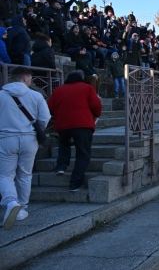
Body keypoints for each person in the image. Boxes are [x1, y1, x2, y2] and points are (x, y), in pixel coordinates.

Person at [0, 67, 51, 229]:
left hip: (6, 137)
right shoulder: (35, 95)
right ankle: (21, 208)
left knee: (5, 174)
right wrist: (38, 128)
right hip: (29, 138)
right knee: (25, 174)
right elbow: (45, 117)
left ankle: (10, 202)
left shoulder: (1, 95)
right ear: (25, 79)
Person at [47, 70, 102, 192]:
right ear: (81, 78)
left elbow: (50, 106)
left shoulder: (59, 90)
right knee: (83, 153)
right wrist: (95, 115)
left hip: (63, 125)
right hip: (83, 124)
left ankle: (61, 166)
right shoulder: (87, 88)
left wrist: (58, 115)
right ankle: (75, 183)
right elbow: (96, 105)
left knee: (64, 143)